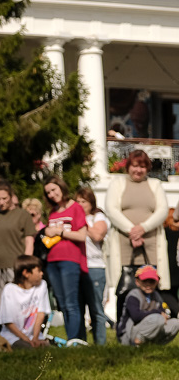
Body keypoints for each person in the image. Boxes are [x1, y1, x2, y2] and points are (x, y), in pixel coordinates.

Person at [104, 148, 170, 293]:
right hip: (124, 244)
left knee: (152, 287)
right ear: (128, 167)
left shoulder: (155, 184)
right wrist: (132, 231)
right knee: (125, 289)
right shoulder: (117, 183)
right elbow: (111, 209)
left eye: (142, 166)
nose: (138, 170)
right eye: (135, 166)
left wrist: (143, 228)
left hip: (151, 244)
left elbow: (162, 210)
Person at [41, 174, 89, 342]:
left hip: (70, 259)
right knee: (62, 303)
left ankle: (75, 339)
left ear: (61, 187)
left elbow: (82, 236)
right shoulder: (53, 212)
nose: (52, 195)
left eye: (53, 190)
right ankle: (71, 338)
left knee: (71, 302)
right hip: (52, 261)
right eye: (48, 193)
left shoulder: (75, 207)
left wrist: (60, 232)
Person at [0, 180, 37, 330]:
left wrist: (26, 265)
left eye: (4, 198)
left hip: (15, 265)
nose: (1, 202)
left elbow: (29, 241)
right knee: (0, 304)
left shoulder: (22, 215)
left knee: (18, 302)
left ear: (11, 196)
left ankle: (23, 333)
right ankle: (7, 334)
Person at [75, 186, 109, 346]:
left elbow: (97, 235)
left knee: (96, 307)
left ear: (91, 202)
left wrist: (82, 223)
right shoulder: (74, 217)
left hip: (94, 266)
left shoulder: (98, 216)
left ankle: (100, 343)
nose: (81, 204)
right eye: (78, 201)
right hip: (77, 265)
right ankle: (80, 342)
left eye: (84, 201)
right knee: (79, 307)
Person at [117, 265, 179, 346]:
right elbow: (136, 316)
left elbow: (162, 311)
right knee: (158, 319)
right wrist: (157, 313)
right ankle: (136, 343)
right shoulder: (133, 295)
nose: (148, 284)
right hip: (129, 334)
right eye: (145, 281)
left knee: (175, 323)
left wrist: (161, 314)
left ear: (157, 282)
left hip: (148, 328)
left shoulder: (156, 295)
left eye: (152, 281)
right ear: (137, 282)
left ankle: (156, 345)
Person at [0, 255, 51, 349]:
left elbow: (40, 313)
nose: (42, 273)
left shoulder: (42, 285)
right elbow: (8, 322)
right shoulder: (9, 290)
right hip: (13, 336)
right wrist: (26, 339)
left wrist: (35, 338)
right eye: (38, 271)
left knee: (47, 351)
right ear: (26, 273)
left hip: (34, 336)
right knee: (27, 348)